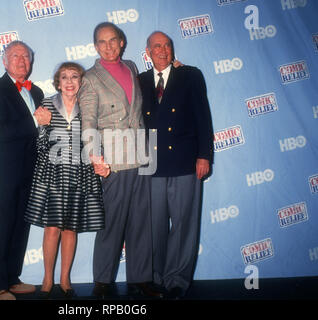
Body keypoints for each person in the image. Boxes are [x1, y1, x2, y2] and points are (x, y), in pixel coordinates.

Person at [78, 22, 162, 299]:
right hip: (111, 162)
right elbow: (88, 121)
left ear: (122, 41)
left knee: (141, 222)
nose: (109, 46)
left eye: (113, 40)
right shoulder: (90, 77)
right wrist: (95, 158)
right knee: (111, 223)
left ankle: (141, 278)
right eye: (102, 42)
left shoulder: (132, 67)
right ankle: (102, 281)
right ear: (96, 47)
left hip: (141, 155)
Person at [138, 31, 214, 299]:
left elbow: (203, 117)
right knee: (153, 226)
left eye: (167, 45)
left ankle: (177, 279)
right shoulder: (140, 80)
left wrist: (204, 155)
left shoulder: (190, 75)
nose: (163, 50)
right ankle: (156, 277)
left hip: (185, 162)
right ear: (147, 51)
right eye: (157, 46)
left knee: (184, 224)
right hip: (150, 164)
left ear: (172, 49)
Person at [24, 62, 105, 299]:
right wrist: (43, 125)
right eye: (64, 77)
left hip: (81, 173)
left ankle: (65, 279)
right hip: (52, 174)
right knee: (52, 228)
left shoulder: (89, 107)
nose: (69, 82)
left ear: (82, 82)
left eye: (75, 77)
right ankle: (47, 279)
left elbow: (95, 140)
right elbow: (38, 146)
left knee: (71, 228)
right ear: (58, 82)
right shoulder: (47, 105)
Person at [0, 40, 51, 300]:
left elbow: (44, 133)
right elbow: (0, 132)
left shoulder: (38, 92)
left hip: (31, 171)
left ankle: (11, 278)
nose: (22, 61)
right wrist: (35, 120)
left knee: (20, 227)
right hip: (4, 172)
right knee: (0, 228)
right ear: (4, 61)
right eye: (15, 56)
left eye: (26, 57)